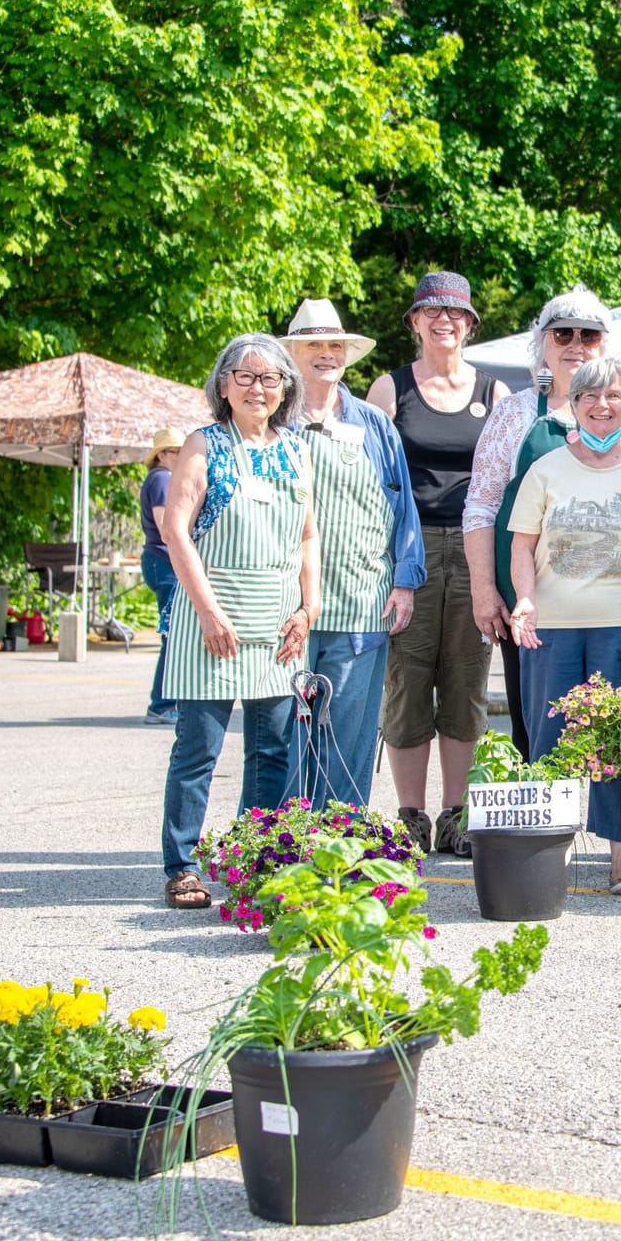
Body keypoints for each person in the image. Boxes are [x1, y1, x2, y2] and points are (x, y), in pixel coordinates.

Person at [157, 334, 323, 909]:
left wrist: (310, 607)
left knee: (273, 749)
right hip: (215, 613)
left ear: (285, 390)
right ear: (223, 385)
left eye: (270, 378)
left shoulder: (295, 448)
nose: (258, 388)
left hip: (279, 620)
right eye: (245, 377)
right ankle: (182, 865)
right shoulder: (203, 445)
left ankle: (255, 860)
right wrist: (207, 611)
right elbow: (175, 531)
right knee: (198, 748)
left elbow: (307, 535)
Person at [506, 357, 621, 893]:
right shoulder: (547, 468)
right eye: (591, 397)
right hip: (551, 627)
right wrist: (525, 600)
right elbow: (522, 545)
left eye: (616, 397)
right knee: (549, 743)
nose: (603, 406)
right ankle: (544, 861)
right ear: (573, 405)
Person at [366, 272, 509, 856]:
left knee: (466, 682)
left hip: (475, 547)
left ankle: (455, 813)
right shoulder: (389, 389)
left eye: (455, 313)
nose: (443, 320)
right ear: (415, 322)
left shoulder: (495, 391)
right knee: (406, 682)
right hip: (409, 549)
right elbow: (371, 481)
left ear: (470, 324)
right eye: (432, 312)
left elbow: (503, 477)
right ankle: (409, 815)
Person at [279, 298, 425, 808]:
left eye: (334, 345)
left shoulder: (373, 423)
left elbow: (403, 503)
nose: (326, 354)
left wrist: (405, 581)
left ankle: (338, 847)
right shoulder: (273, 419)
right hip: (287, 605)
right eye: (313, 344)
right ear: (292, 353)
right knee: (283, 737)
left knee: (348, 738)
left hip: (363, 601)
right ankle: (277, 848)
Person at [464, 285, 615, 768]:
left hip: (611, 602)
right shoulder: (514, 413)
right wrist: (485, 590)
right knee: (535, 725)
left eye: (588, 334)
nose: (575, 343)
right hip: (528, 604)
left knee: (618, 728)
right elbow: (481, 507)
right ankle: (543, 840)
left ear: (603, 344)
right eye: (562, 333)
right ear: (542, 343)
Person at [139, 427, 184, 725]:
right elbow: (167, 526)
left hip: (162, 562)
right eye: (177, 452)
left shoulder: (160, 479)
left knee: (174, 633)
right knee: (172, 634)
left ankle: (166, 700)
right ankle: (162, 703)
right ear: (163, 454)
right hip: (164, 562)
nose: (182, 457)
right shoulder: (161, 479)